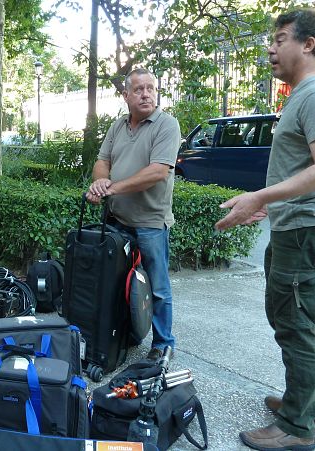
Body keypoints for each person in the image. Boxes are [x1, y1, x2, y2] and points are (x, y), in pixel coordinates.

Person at [216, 9, 315, 451]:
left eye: (279, 39)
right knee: (291, 320)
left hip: (311, 230)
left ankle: (298, 427)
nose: (270, 49)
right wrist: (269, 204)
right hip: (298, 226)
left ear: (308, 44)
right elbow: (303, 169)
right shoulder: (301, 95)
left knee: (294, 325)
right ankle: (311, 406)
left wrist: (261, 198)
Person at [86, 68, 181, 361]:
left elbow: (157, 172)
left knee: (157, 288)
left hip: (151, 223)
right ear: (125, 95)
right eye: (138, 89)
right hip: (117, 222)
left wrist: (111, 188)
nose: (146, 94)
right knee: (117, 285)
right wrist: (100, 182)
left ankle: (164, 344)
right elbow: (102, 161)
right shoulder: (118, 126)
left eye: (151, 88)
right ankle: (123, 334)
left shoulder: (167, 125)